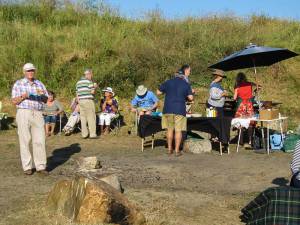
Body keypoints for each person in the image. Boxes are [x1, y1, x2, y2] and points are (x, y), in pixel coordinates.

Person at [11, 63, 48, 175]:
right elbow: (13, 101)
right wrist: (24, 96)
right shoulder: (18, 84)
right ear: (24, 72)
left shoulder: (39, 84)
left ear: (34, 71)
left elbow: (46, 99)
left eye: (32, 70)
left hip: (38, 113)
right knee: (25, 140)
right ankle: (27, 167)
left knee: (40, 140)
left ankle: (40, 167)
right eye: (28, 70)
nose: (30, 72)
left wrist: (39, 96)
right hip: (23, 112)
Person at [157, 67, 193, 156]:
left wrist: (167, 91)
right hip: (180, 109)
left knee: (169, 130)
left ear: (175, 75)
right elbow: (191, 98)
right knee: (178, 131)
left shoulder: (168, 82)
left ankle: (169, 150)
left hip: (168, 109)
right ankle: (177, 151)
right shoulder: (186, 84)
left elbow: (158, 92)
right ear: (182, 76)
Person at [233, 72, 260, 148]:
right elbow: (257, 88)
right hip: (249, 105)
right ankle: (250, 141)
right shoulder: (249, 84)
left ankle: (240, 141)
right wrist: (256, 89)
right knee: (250, 123)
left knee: (240, 123)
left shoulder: (237, 86)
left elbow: (234, 98)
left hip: (241, 106)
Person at [76, 69, 98, 139]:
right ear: (88, 74)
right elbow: (92, 92)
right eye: (91, 75)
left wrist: (79, 102)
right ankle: (92, 134)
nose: (92, 76)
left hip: (81, 101)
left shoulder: (78, 82)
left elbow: (77, 94)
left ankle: (84, 134)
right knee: (91, 117)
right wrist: (95, 87)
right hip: (88, 101)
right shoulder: (89, 81)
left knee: (83, 118)